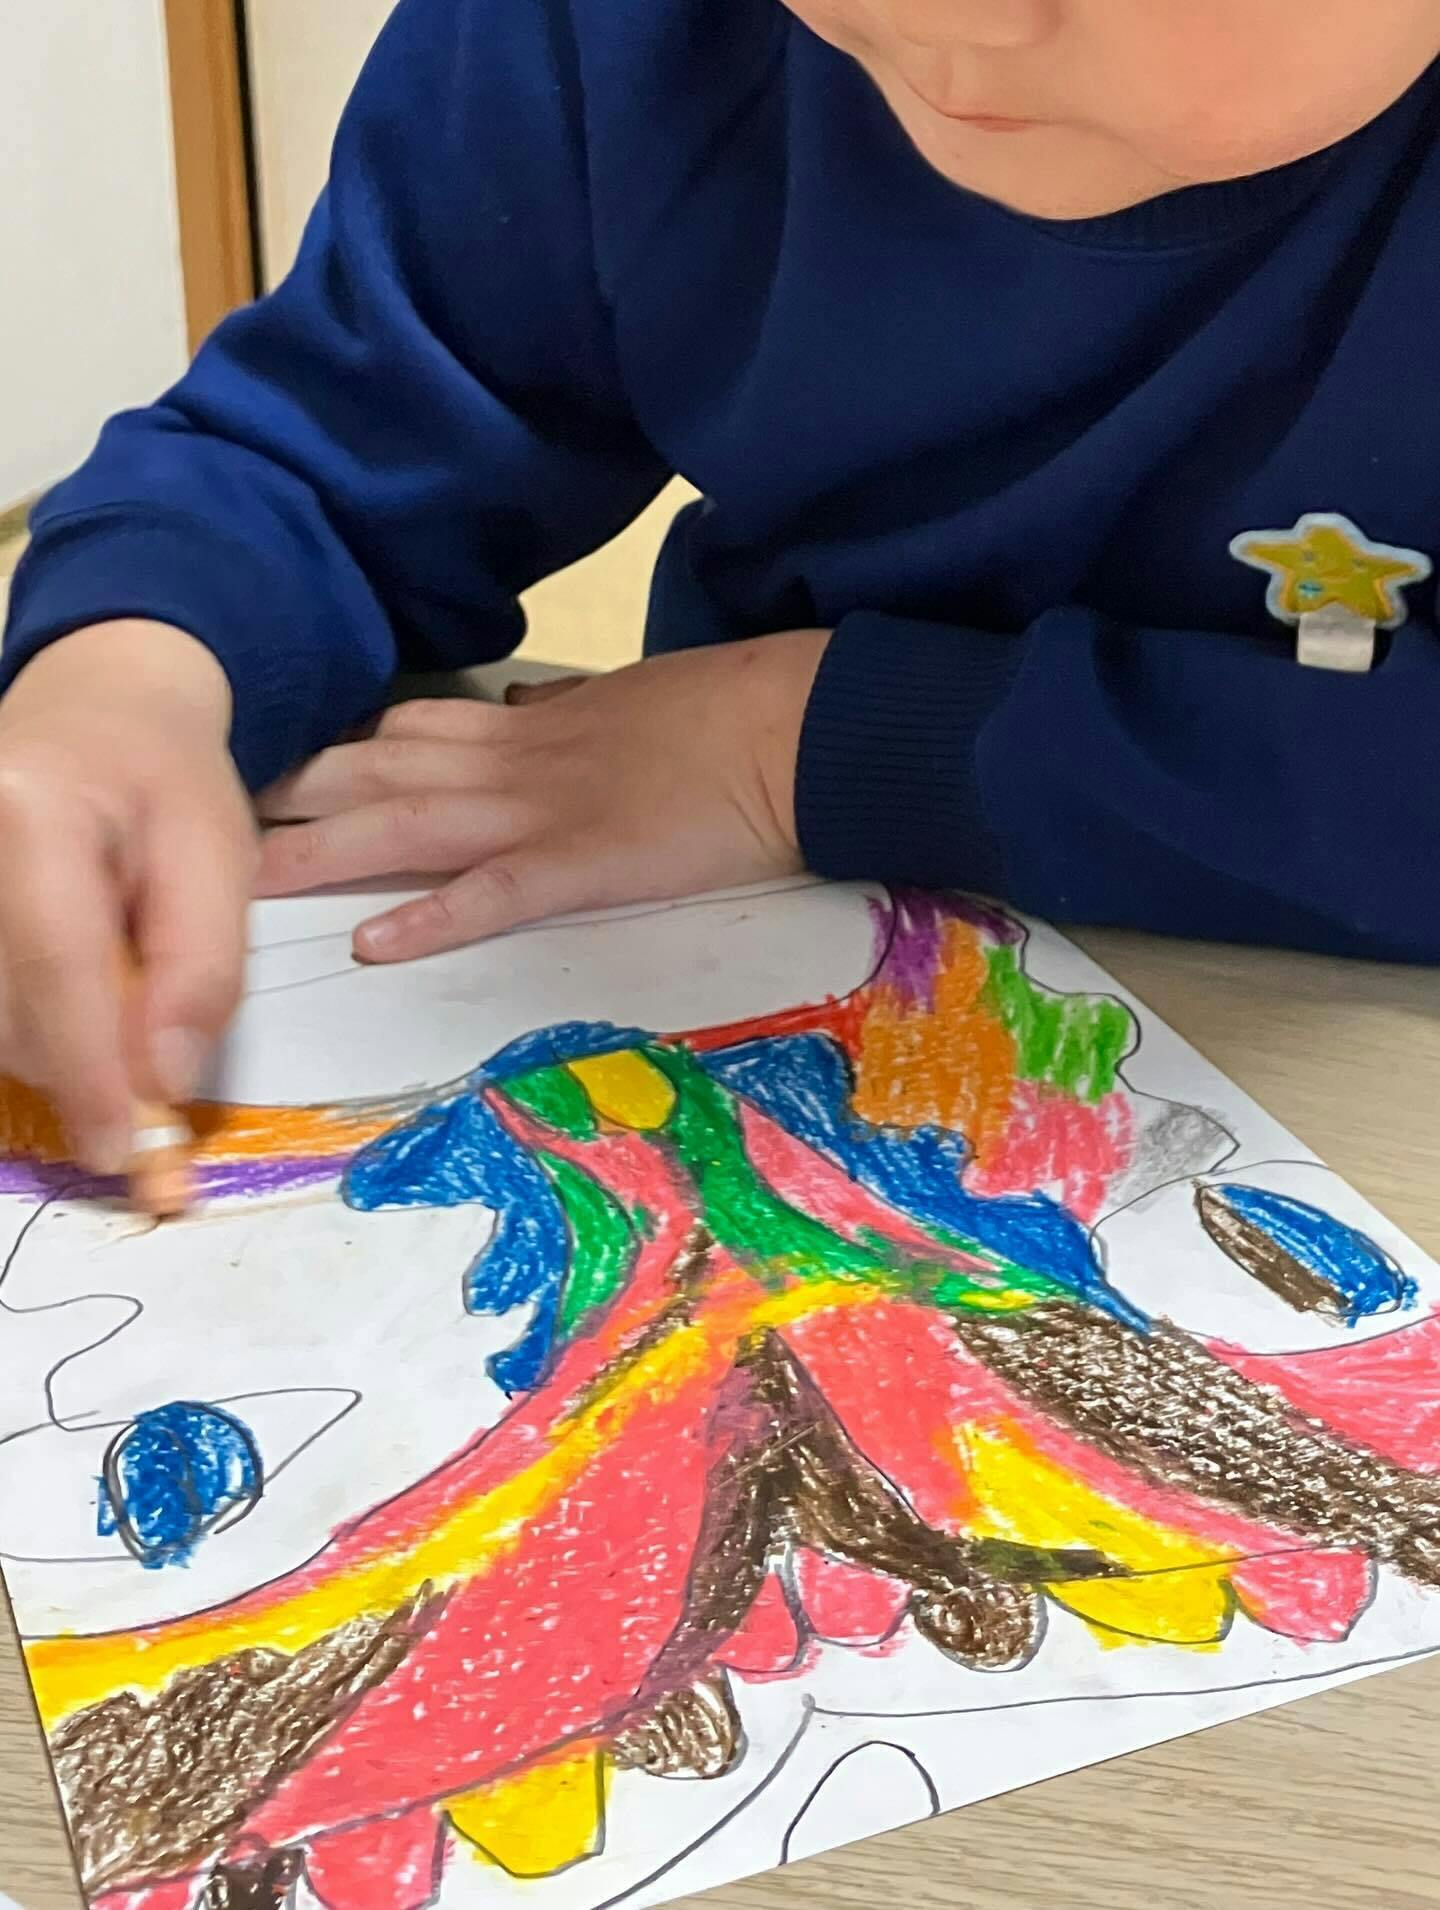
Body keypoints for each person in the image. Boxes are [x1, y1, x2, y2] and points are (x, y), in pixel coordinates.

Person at [2, 0, 1439, 1172]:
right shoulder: (624, 35)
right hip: (732, 997)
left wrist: (805, 746)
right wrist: (128, 673)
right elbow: (320, 452)